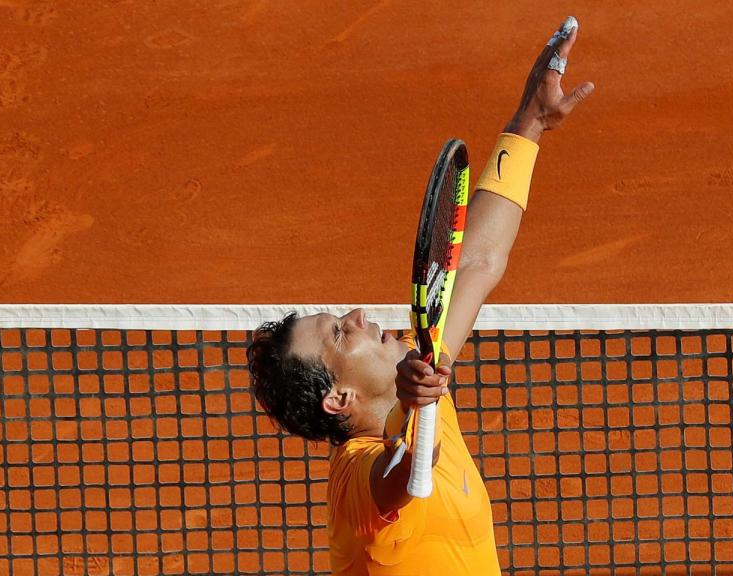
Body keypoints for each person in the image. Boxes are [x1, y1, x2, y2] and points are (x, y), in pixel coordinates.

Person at [246, 16, 594, 575]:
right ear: (340, 400)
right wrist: (414, 407)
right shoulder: (353, 485)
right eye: (339, 333)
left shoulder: (420, 366)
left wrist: (530, 122)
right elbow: (406, 474)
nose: (357, 315)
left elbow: (477, 263)